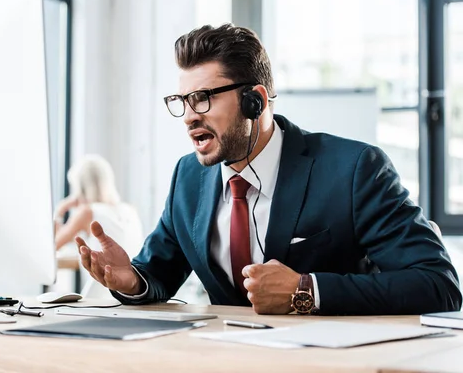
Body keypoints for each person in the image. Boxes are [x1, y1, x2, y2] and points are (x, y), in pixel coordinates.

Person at [75, 24, 462, 315]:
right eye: (182, 100)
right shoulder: (188, 177)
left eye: (203, 99)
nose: (189, 117)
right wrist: (130, 280)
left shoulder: (354, 169)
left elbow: (438, 284)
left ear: (255, 101)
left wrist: (305, 289)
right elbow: (158, 271)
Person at [54, 154, 143, 297]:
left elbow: (54, 245)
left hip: (100, 298)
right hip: (132, 294)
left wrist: (59, 211)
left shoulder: (87, 212)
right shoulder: (130, 210)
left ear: (80, 188)